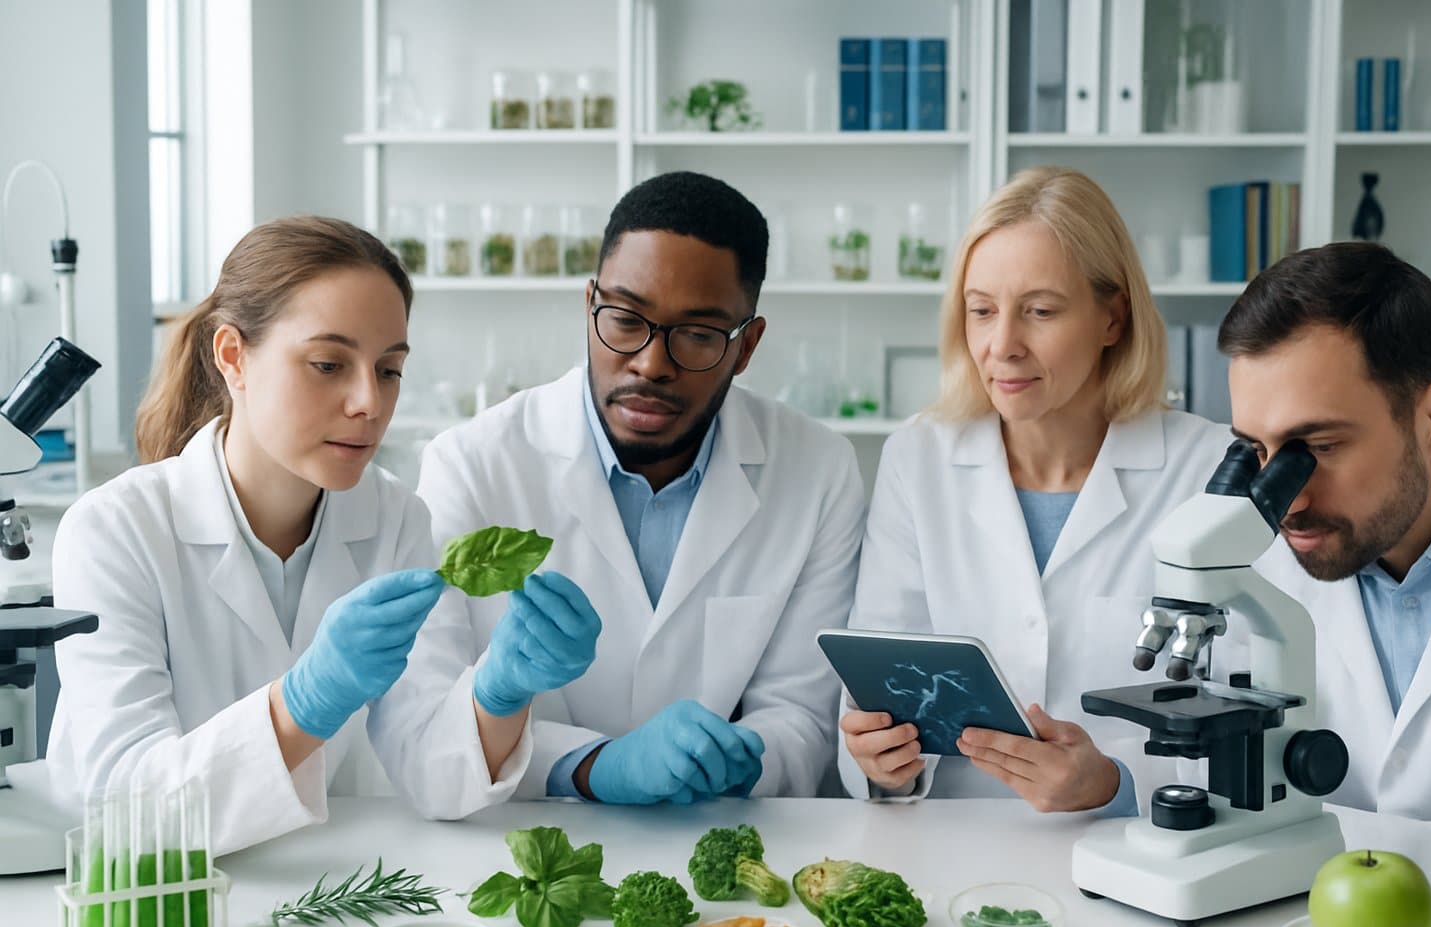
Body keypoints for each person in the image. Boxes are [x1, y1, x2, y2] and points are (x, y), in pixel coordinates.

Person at [29, 216, 600, 854]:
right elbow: (127, 808)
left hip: (316, 895)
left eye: (389, 371)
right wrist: (303, 703)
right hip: (154, 912)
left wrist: (501, 692)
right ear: (232, 357)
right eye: (329, 364)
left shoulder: (395, 518)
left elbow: (429, 771)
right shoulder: (113, 531)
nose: (369, 403)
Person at [417, 171, 864, 803]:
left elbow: (801, 712)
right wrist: (594, 765)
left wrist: (734, 764)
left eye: (699, 336)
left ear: (746, 346)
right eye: (625, 320)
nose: (652, 364)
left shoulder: (819, 472)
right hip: (531, 840)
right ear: (590, 303)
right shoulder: (470, 464)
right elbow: (436, 730)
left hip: (726, 834)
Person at [838, 166, 1233, 805]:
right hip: (949, 849)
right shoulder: (919, 458)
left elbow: (1243, 710)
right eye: (982, 312)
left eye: (1040, 311)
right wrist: (882, 761)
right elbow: (872, 691)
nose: (1002, 346)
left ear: (1113, 317)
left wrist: (1117, 782)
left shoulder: (1208, 468)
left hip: (1137, 851)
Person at [1222, 242, 1431, 914]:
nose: (1288, 499)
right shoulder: (1265, 558)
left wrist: (1327, 842)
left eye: (1322, 448)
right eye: (1258, 451)